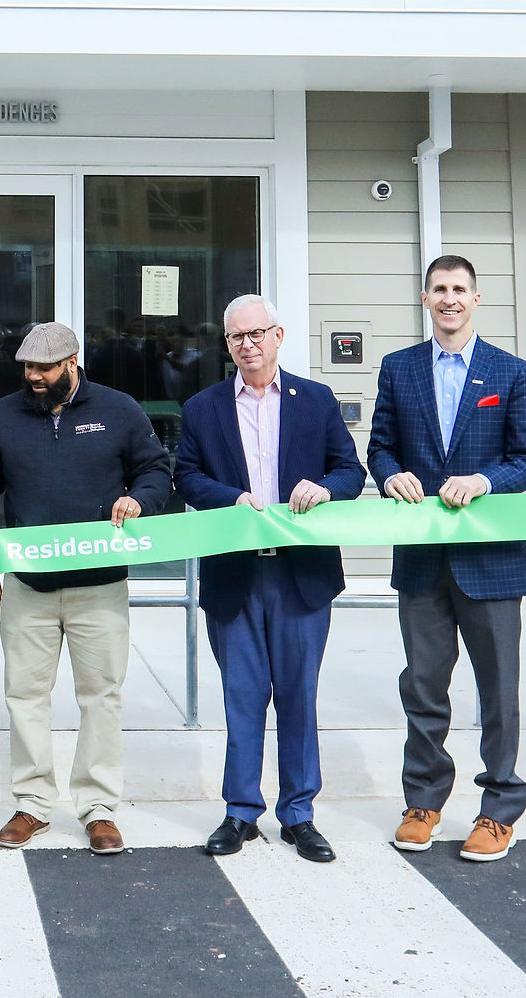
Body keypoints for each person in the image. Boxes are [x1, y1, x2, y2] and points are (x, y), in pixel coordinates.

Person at [0, 321, 171, 856]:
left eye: (44, 369)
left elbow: (156, 469)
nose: (33, 377)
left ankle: (98, 808)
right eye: (27, 368)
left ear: (72, 364)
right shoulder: (4, 414)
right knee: (25, 696)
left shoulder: (118, 409)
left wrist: (140, 500)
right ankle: (32, 804)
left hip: (100, 584)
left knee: (101, 696)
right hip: (27, 583)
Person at [367, 256, 526, 863]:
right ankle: (423, 800)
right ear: (425, 298)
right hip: (422, 560)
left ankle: (499, 809)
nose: (449, 299)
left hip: (492, 560)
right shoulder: (399, 369)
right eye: (439, 289)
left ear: (476, 298)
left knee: (499, 690)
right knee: (423, 685)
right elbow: (381, 447)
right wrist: (392, 478)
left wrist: (484, 480)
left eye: (459, 290)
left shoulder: (510, 371)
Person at [175, 295, 364, 862]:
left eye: (257, 333)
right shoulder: (203, 408)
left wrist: (326, 488)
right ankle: (240, 813)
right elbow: (185, 475)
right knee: (243, 698)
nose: (247, 344)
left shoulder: (317, 401)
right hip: (235, 574)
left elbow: (350, 470)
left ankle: (299, 815)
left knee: (298, 697)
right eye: (236, 337)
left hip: (300, 576)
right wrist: (231, 498)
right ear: (227, 345)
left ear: (279, 336)